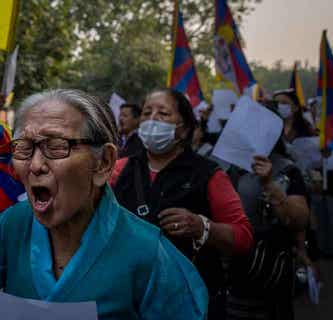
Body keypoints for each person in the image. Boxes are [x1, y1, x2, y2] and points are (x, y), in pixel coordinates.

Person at [0, 89, 208, 319]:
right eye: (24, 147)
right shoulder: (11, 227)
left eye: (56, 146)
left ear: (103, 163)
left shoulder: (150, 255)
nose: (35, 165)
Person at [109, 89, 254, 319]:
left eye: (163, 113)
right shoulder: (119, 169)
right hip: (130, 298)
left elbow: (243, 237)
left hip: (191, 300)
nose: (153, 119)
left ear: (184, 128)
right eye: (147, 113)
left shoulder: (208, 174)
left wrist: (202, 227)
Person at [227, 134, 310, 319]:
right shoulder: (222, 165)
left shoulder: (286, 170)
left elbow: (299, 220)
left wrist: (269, 185)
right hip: (231, 269)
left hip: (271, 267)